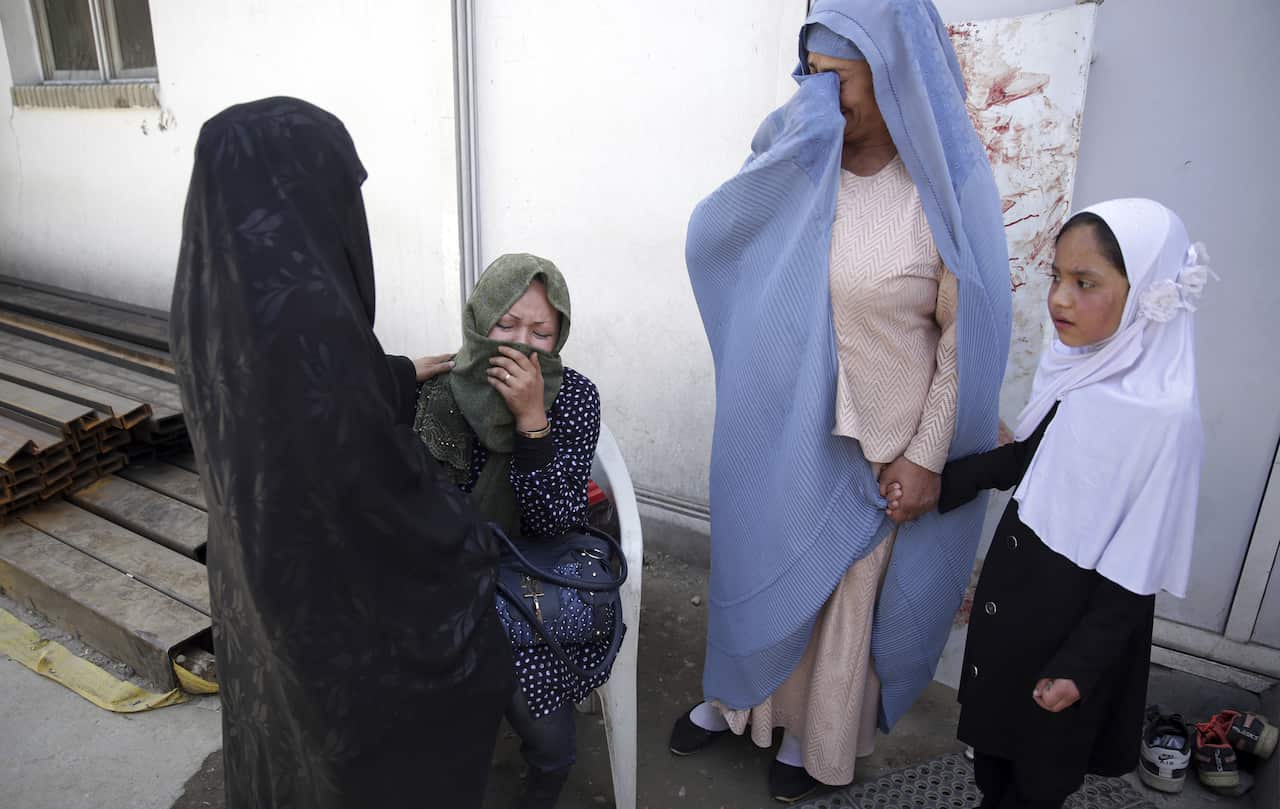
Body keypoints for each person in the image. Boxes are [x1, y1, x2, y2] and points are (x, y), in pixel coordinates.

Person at [672, 1, 1011, 802]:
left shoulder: (944, 194)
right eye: (811, 77)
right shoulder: (797, 151)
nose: (820, 98)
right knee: (758, 565)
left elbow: (971, 337)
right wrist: (791, 154)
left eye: (841, 83)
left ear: (893, 78)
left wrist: (928, 452)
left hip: (877, 448)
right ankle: (735, 702)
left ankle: (812, 741)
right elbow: (733, 241)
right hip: (778, 427)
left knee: (836, 606)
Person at [170, 97, 513, 809]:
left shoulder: (209, 297)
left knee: (280, 729)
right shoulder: (310, 321)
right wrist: (468, 533)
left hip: (253, 578)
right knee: (449, 670)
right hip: (332, 603)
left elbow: (286, 411)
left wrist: (391, 374)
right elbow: (370, 488)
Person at [933, 199, 1210, 807]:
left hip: (1073, 621)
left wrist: (1079, 666)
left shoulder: (1164, 419)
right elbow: (1032, 458)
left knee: (1040, 775)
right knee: (994, 755)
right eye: (1056, 277)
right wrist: (943, 482)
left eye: (1085, 283)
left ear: (1146, 293)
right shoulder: (1083, 366)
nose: (1060, 299)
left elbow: (1136, 567)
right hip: (1018, 595)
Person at [414, 253, 605, 809]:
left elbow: (558, 522)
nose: (521, 344)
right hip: (446, 569)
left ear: (560, 335)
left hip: (532, 574)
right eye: (506, 325)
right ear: (479, 321)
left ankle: (546, 780)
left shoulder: (573, 397)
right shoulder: (440, 391)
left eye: (540, 332)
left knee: (542, 718)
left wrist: (532, 423)